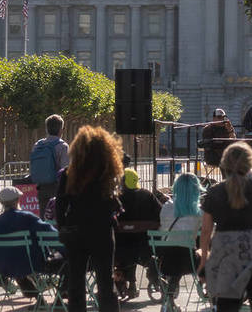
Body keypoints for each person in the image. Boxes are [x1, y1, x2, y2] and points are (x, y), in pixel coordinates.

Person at [199, 141, 252, 312]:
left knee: (226, 307)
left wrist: (204, 258)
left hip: (226, 254)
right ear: (249, 164)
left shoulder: (214, 192)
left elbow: (205, 231)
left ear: (224, 164)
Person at [56, 125, 124, 312]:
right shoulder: (106, 173)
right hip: (101, 230)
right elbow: (111, 201)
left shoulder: (70, 174)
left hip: (75, 230)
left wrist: (62, 226)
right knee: (105, 281)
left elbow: (60, 204)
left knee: (76, 282)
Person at [0, 186, 57, 309]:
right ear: (17, 200)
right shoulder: (27, 217)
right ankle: (60, 297)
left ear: (1, 202)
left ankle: (38, 297)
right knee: (65, 260)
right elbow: (51, 234)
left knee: (18, 264)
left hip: (4, 266)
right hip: (33, 263)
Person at [114, 168, 162, 300]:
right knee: (136, 242)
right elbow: (160, 214)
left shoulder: (117, 198)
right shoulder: (147, 195)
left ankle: (130, 284)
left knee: (127, 245)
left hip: (120, 249)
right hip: (145, 248)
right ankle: (138, 281)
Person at [158, 173, 204, 308]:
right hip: (188, 261)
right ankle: (207, 290)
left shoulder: (167, 206)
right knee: (205, 252)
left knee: (176, 250)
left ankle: (170, 293)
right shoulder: (199, 211)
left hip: (165, 259)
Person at [31, 114, 70, 218]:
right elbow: (65, 169)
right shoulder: (62, 146)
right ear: (61, 129)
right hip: (57, 187)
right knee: (57, 218)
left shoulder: (38, 145)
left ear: (47, 129)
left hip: (41, 187)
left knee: (43, 217)